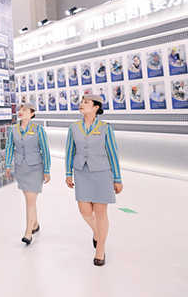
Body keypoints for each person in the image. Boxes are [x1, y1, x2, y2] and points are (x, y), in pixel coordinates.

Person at [65, 93, 123, 266]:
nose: (82, 104)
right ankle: (97, 232)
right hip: (81, 173)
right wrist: (68, 173)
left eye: (86, 102)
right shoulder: (74, 127)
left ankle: (100, 250)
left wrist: (117, 178)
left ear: (96, 107)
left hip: (102, 174)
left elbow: (113, 154)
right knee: (84, 211)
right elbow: (69, 151)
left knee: (100, 212)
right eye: (81, 102)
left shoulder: (106, 128)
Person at [4, 102, 50, 245]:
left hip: (35, 168)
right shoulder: (13, 129)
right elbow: (9, 147)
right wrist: (7, 165)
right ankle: (35, 224)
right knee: (29, 199)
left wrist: (47, 170)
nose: (21, 112)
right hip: (21, 167)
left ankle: (28, 232)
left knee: (30, 200)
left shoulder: (38, 129)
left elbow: (45, 150)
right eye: (20, 109)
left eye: (24, 110)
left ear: (32, 114)